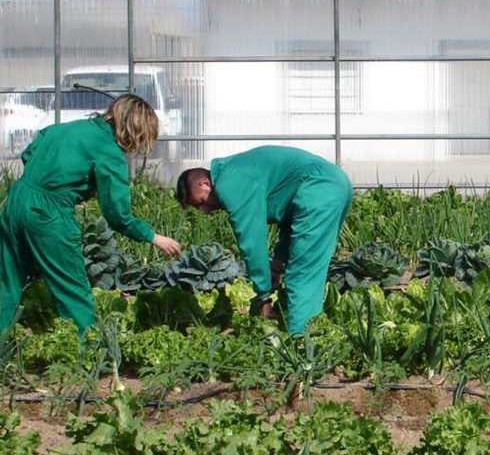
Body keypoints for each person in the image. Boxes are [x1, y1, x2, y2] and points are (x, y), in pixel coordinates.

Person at [0, 95, 182, 335]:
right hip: (49, 215)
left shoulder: (67, 127)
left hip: (16, 201)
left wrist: (50, 180)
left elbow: (29, 153)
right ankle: (87, 359)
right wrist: (154, 237)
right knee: (72, 290)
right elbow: (116, 214)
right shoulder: (108, 151)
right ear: (132, 130)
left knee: (6, 281)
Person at [175, 146, 352, 334]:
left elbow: (252, 241)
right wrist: (276, 264)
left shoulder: (229, 184)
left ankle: (303, 348)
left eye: (200, 202)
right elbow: (290, 218)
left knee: (302, 274)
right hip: (334, 184)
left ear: (204, 184)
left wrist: (263, 296)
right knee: (310, 270)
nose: (205, 211)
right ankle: (311, 336)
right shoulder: (237, 171)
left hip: (320, 188)